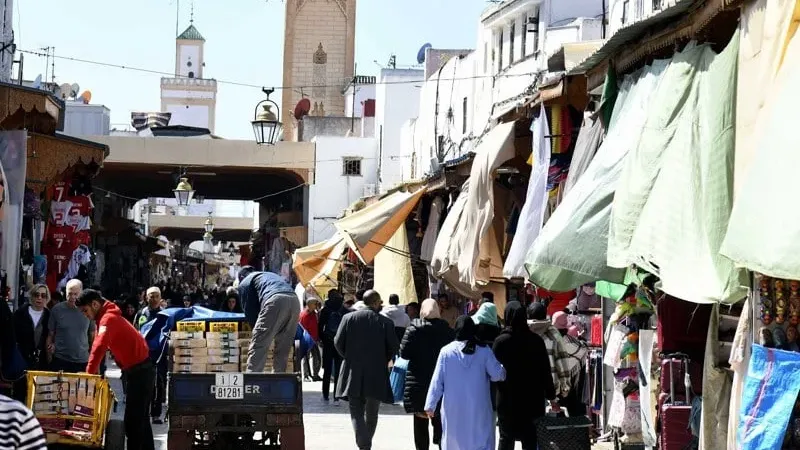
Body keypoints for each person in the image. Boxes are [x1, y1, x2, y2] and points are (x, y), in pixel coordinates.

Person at [77, 289, 154, 450]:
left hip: (141, 371)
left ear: (95, 304)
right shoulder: (105, 318)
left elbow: (99, 346)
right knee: (141, 421)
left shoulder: (108, 318)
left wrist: (88, 374)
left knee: (133, 423)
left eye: (85, 310)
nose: (84, 315)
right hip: (136, 371)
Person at [424, 316, 506, 450]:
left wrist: (430, 405)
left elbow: (437, 381)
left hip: (453, 409)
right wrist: (503, 369)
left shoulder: (446, 352)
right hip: (478, 408)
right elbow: (497, 375)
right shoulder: (484, 351)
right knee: (480, 439)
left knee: (453, 442)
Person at [334, 290, 399, 450]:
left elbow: (337, 342)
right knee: (372, 413)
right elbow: (394, 347)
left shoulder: (348, 318)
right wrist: (383, 360)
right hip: (376, 373)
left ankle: (364, 445)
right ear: (376, 303)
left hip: (352, 372)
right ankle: (365, 445)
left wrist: (348, 357)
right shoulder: (385, 322)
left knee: (356, 411)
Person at [493, 301, 559, 449]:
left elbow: (493, 371)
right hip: (532, 401)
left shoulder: (501, 341)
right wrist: (551, 395)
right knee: (530, 439)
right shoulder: (536, 341)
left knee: (506, 438)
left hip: (507, 400)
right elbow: (545, 371)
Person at [400, 299, 455, 450]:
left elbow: (404, 354)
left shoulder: (413, 329)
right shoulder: (448, 331)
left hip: (417, 381)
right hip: (441, 383)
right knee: (440, 420)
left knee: (420, 423)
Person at [238, 266, 301, 373]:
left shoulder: (246, 281)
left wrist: (257, 330)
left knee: (259, 343)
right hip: (294, 301)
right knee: (283, 346)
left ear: (242, 277)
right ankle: (278, 379)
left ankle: (253, 378)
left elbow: (249, 309)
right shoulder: (268, 275)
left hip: (275, 300)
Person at [12, 284, 52, 402]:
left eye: (43, 295)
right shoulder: (20, 313)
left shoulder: (49, 316)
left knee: (38, 396)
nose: (39, 298)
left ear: (47, 298)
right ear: (32, 296)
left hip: (41, 361)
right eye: (37, 295)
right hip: (21, 360)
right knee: (20, 393)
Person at [47, 279, 95, 372]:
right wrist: (49, 359)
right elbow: (50, 335)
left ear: (81, 293)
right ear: (65, 293)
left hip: (82, 361)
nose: (72, 297)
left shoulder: (89, 310)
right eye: (70, 294)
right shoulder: (57, 310)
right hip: (60, 360)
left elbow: (92, 336)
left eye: (76, 294)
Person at [528, 302, 572, 399]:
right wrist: (565, 387)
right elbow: (562, 359)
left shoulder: (524, 332)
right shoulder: (553, 332)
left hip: (528, 387)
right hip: (550, 387)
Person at [551, 311, 588, 417]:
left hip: (554, 378)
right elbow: (582, 350)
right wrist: (582, 340)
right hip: (567, 379)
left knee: (559, 408)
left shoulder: (549, 337)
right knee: (570, 406)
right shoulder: (566, 340)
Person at [318, 290, 347, 403]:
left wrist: (323, 339)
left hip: (328, 342)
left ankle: (325, 394)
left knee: (327, 370)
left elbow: (320, 326)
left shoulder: (326, 309)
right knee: (339, 369)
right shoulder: (343, 309)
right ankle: (337, 395)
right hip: (340, 342)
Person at [298, 297, 322, 381]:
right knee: (306, 358)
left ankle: (315, 375)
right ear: (310, 304)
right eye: (315, 304)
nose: (316, 305)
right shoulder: (304, 315)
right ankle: (306, 375)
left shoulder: (314, 313)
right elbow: (301, 328)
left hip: (314, 339)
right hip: (307, 340)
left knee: (317, 357)